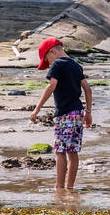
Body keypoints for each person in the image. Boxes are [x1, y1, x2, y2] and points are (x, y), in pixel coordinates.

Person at [29, 38, 92, 191]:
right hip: (78, 113)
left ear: (53, 51)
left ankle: (59, 186)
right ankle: (70, 187)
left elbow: (51, 86)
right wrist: (88, 113)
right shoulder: (76, 65)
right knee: (73, 151)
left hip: (65, 115)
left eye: (47, 60)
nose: (49, 64)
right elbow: (87, 89)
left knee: (60, 151)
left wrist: (37, 109)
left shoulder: (57, 64)